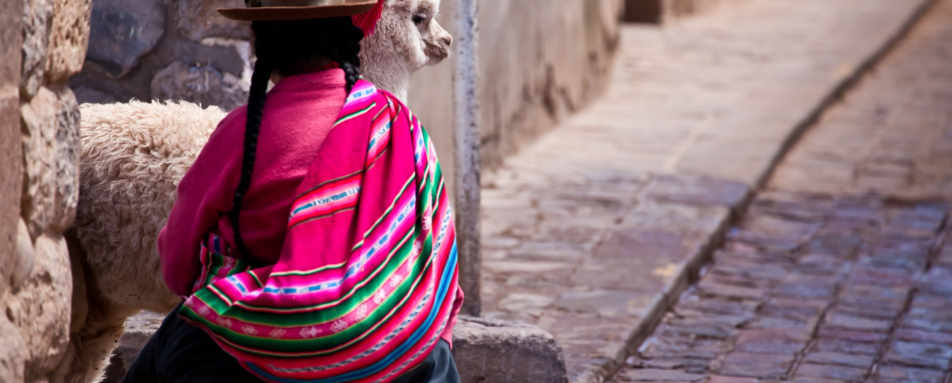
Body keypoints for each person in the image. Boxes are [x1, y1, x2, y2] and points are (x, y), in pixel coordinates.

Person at [123, 1, 464, 382]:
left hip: (250, 359)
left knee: (179, 341)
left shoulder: (240, 134)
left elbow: (177, 267)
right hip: (391, 358)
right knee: (432, 353)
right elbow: (435, 262)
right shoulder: (400, 128)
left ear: (259, 44)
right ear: (354, 36)